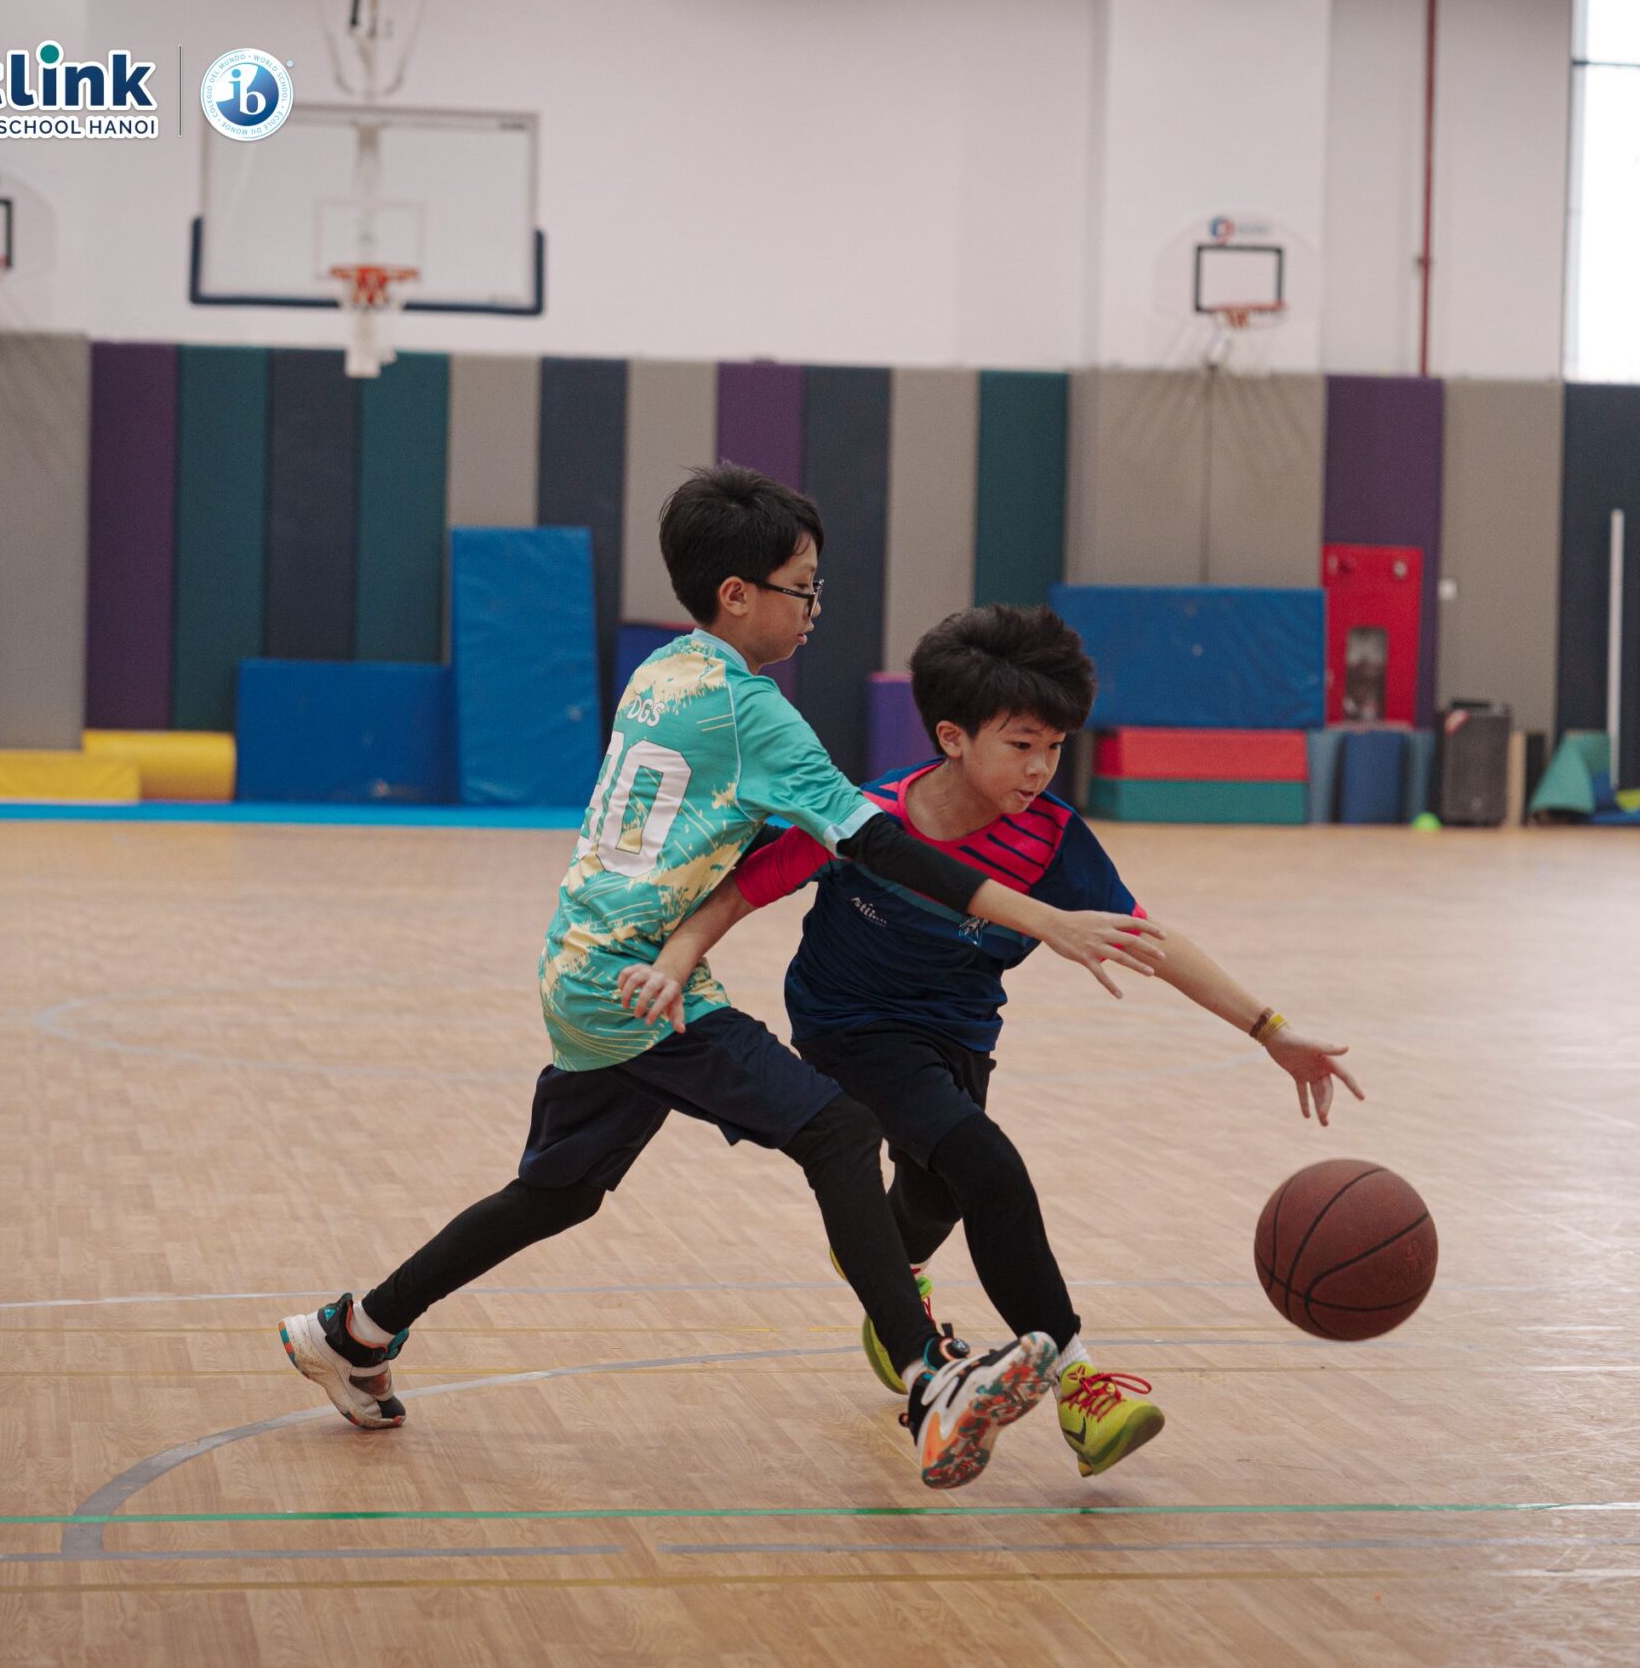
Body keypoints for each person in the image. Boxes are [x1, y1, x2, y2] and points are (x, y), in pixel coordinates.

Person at [279, 472, 1164, 1491]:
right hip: (638, 985)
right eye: (802, 588)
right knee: (836, 1128)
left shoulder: (663, 671)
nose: (812, 609)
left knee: (556, 1191)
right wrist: (1038, 915)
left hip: (586, 965)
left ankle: (353, 1329)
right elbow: (880, 842)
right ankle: (928, 1379)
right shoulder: (756, 716)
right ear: (737, 593)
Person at [615, 603, 1364, 1478]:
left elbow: (1149, 943)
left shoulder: (1052, 836)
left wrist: (1271, 1030)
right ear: (953, 737)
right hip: (849, 1029)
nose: (1042, 768)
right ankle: (1079, 1383)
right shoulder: (865, 816)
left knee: (941, 1194)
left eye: (1055, 747)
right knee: (989, 1163)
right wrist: (675, 960)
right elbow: (742, 891)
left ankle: (885, 1260)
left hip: (960, 1032)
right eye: (1021, 744)